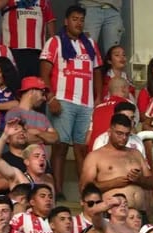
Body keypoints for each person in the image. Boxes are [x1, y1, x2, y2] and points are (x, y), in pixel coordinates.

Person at [39, 4, 102, 198]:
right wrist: (50, 97)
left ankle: (85, 191)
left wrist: (98, 98)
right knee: (60, 147)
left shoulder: (90, 43)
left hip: (86, 104)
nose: (79, 23)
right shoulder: (55, 42)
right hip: (63, 101)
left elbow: (97, 70)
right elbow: (44, 71)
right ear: (66, 21)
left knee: (82, 149)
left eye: (81, 19)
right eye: (75, 19)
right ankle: (58, 191)